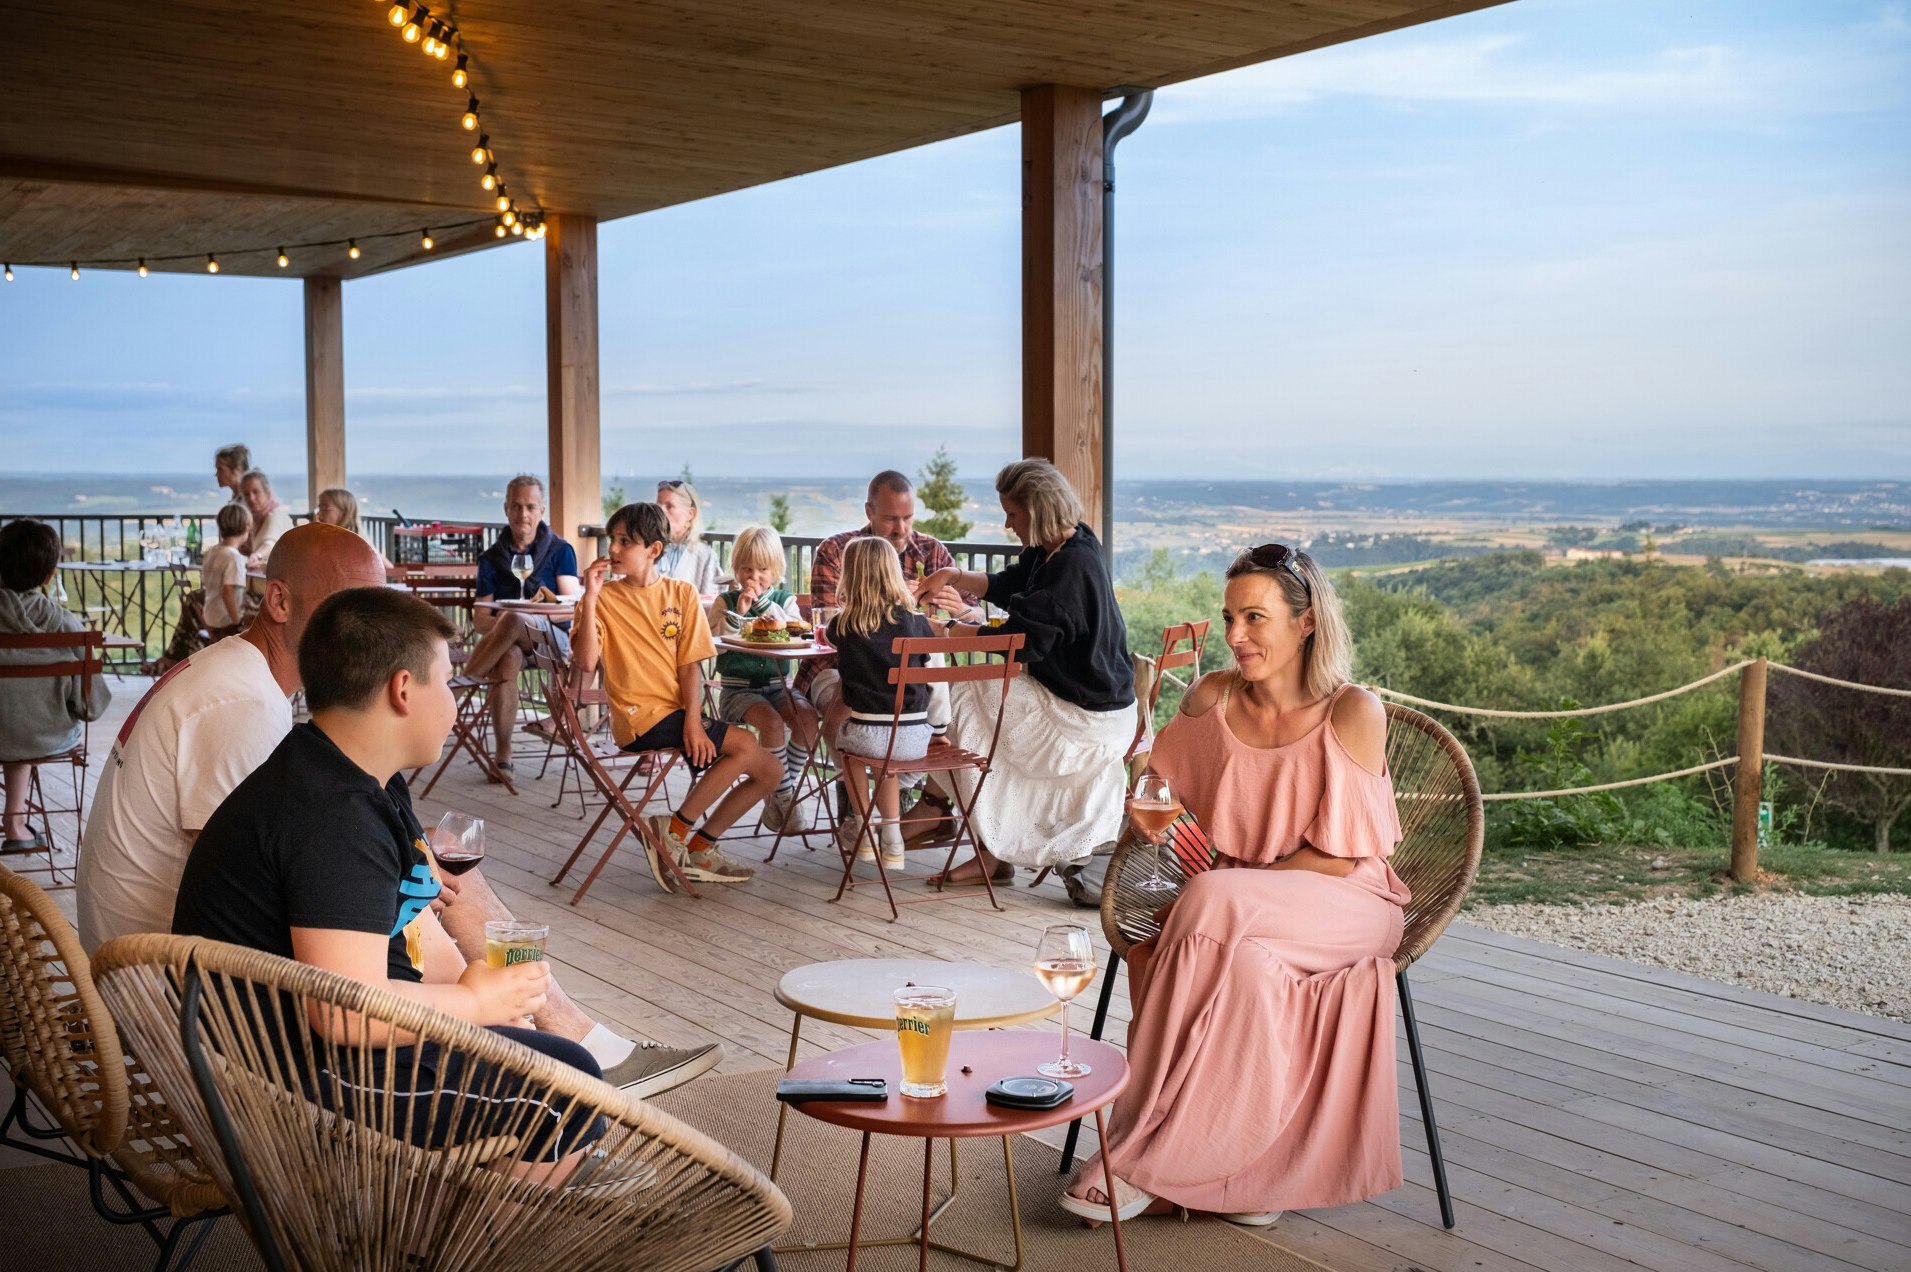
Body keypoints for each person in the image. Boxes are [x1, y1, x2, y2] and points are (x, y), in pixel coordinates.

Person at [77, 523, 711, 1093]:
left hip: (223, 979)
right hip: (190, 998)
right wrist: (464, 1003)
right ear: (279, 602)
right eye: (356, 603)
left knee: (432, 865)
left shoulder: (265, 703)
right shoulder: (247, 716)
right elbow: (291, 874)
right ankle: (562, 1046)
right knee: (419, 882)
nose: (370, 621)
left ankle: (567, 1034)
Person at [172, 587, 607, 1179]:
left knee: (550, 1059)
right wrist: (474, 1003)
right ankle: (479, 1244)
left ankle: (491, 1199)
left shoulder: (355, 777)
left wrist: (484, 1007)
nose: (454, 701)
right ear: (403, 690)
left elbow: (402, 941)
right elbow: (344, 1013)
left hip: (316, 1049)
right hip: (287, 1078)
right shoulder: (333, 816)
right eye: (448, 682)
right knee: (570, 1091)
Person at [1058, 545, 1409, 1227]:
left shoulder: (1352, 711)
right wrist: (1162, 813)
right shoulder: (1213, 699)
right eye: (1228, 617)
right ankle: (1248, 1176)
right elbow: (1154, 789)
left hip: (1348, 904)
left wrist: (1230, 887)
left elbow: (1338, 861)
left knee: (1210, 900)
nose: (1235, 636)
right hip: (1233, 919)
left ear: (1305, 622)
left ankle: (1130, 1152)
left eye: (1255, 617)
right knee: (1242, 963)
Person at [913, 459, 1133, 885]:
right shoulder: (1062, 546)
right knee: (976, 703)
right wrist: (954, 575)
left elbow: (1017, 644)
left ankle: (954, 823)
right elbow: (1009, 582)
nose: (1007, 523)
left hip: (1087, 718)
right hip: (1079, 698)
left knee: (963, 698)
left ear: (1038, 509)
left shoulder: (1071, 567)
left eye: (1013, 513)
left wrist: (945, 630)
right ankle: (963, 829)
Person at [574, 502, 780, 888]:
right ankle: (673, 831)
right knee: (745, 745)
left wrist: (693, 722)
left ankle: (699, 846)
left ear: (654, 549)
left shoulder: (682, 594)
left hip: (676, 713)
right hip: (638, 719)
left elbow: (690, 666)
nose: (613, 550)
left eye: (625, 542)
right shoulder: (601, 599)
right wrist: (588, 598)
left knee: (771, 770)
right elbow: (586, 662)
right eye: (612, 540)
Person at [796, 470, 979, 834]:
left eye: (908, 518)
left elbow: (977, 617)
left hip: (912, 674)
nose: (901, 529)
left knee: (967, 707)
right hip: (844, 667)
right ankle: (859, 809)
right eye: (891, 518)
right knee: (843, 704)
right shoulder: (839, 550)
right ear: (869, 512)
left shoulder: (931, 552)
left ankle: (920, 806)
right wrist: (897, 607)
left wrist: (959, 608)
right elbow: (831, 623)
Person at [820, 537, 946, 875]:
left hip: (868, 733)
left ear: (851, 577)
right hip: (915, 737)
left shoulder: (843, 624)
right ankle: (893, 838)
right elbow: (933, 669)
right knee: (885, 760)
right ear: (893, 573)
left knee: (848, 752)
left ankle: (863, 827)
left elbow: (828, 639)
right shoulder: (916, 622)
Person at [0, 520, 111, 852]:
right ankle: (15, 823)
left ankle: (15, 822)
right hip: (45, 734)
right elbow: (91, 705)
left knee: (11, 720)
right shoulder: (63, 623)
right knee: (27, 721)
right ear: (49, 575)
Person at [463, 475, 580, 775]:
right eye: (516, 506)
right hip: (512, 646)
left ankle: (461, 684)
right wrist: (508, 628)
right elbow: (479, 620)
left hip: (554, 641)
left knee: (514, 617)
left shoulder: (560, 551)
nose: (523, 514)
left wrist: (528, 616)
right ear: (506, 509)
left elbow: (571, 610)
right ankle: (504, 756)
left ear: (542, 511)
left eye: (530, 506)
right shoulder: (491, 559)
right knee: (508, 655)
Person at [706, 525, 816, 833]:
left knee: (806, 718)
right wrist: (737, 616)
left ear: (777, 569)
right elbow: (714, 640)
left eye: (763, 569)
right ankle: (785, 798)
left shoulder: (784, 600)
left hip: (778, 685)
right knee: (771, 722)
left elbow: (794, 628)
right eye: (747, 569)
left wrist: (765, 605)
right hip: (739, 691)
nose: (754, 577)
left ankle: (782, 790)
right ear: (736, 570)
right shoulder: (725, 602)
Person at [654, 479, 723, 594]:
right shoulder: (645, 548)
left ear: (690, 514)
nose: (660, 512)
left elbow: (711, 603)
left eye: (669, 506)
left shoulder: (704, 556)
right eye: (658, 507)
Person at [199, 503, 250, 638]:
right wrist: (238, 622)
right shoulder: (234, 557)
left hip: (209, 617)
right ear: (245, 529)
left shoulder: (211, 552)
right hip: (225, 622)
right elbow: (227, 593)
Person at [313, 486, 391, 566]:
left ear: (344, 511)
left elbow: (388, 567)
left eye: (325, 508)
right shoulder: (323, 539)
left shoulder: (357, 543)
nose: (319, 513)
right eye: (319, 508)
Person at [238, 469, 294, 568]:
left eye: (256, 492)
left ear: (267, 492)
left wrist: (257, 556)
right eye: (246, 494)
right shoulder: (253, 519)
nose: (251, 498)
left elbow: (270, 543)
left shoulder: (276, 515)